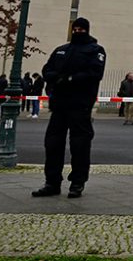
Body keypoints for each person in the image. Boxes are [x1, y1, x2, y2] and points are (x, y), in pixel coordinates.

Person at [32, 17, 106, 199]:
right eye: (76, 29)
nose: (78, 32)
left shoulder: (95, 50)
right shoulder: (61, 50)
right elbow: (47, 70)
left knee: (79, 144)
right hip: (59, 105)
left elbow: (94, 74)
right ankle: (52, 182)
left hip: (80, 106)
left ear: (87, 30)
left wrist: (70, 79)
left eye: (81, 29)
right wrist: (57, 78)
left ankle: (77, 182)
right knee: (52, 144)